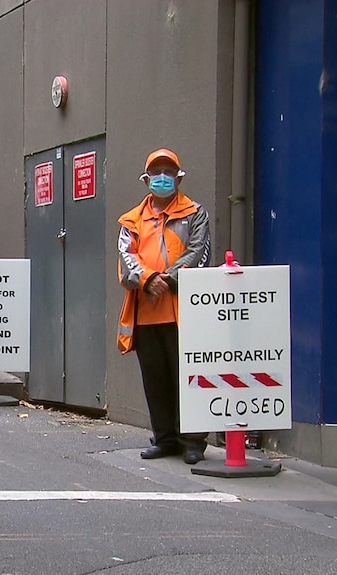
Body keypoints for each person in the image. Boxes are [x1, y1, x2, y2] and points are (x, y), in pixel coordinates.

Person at [117, 148, 211, 465]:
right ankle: (165, 438)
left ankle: (194, 441)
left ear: (178, 177)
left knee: (189, 378)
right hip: (147, 313)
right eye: (156, 172)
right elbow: (127, 257)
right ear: (146, 179)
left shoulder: (195, 213)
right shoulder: (131, 220)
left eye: (168, 171)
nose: (162, 177)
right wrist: (147, 278)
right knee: (155, 379)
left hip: (185, 313)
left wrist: (165, 279)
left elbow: (199, 253)